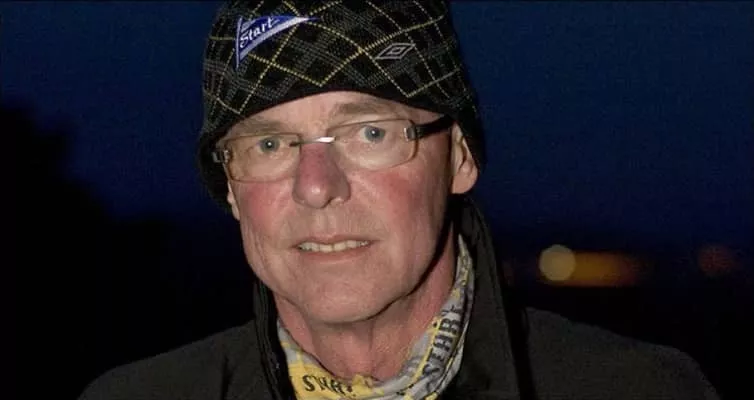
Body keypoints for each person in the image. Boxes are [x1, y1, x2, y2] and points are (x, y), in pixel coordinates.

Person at [78, 1, 720, 399]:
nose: (316, 186)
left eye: (370, 133)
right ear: (230, 188)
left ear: (460, 155)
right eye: (269, 144)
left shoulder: (640, 389)